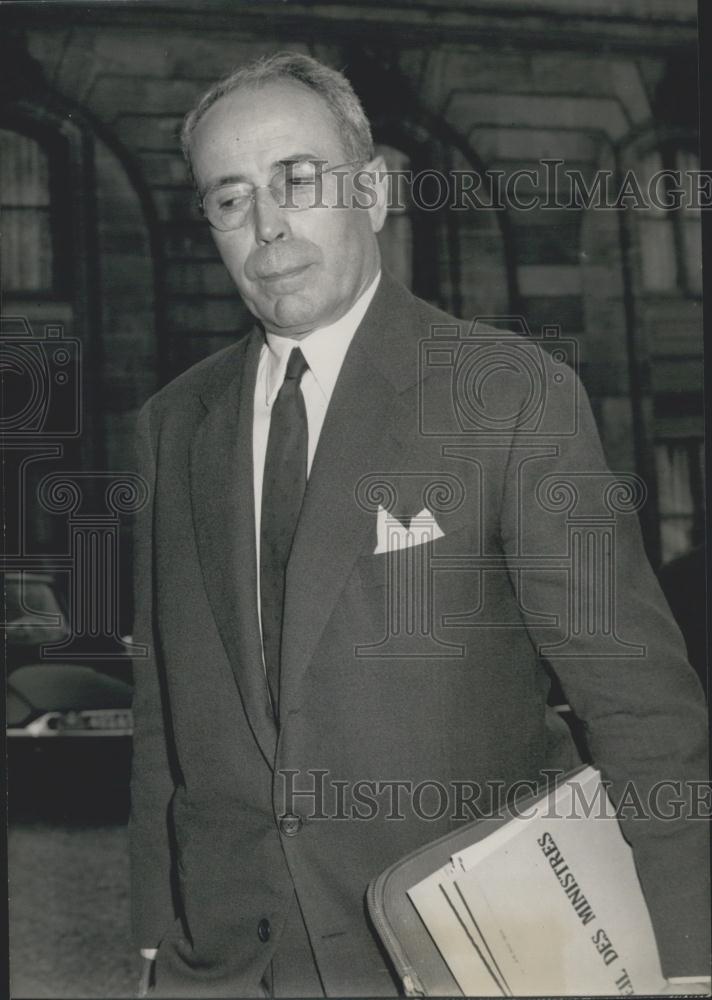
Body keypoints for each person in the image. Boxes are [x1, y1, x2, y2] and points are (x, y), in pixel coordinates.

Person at [129, 52, 709, 997]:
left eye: (297, 182)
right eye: (228, 200)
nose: (267, 228)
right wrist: (158, 937)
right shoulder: (171, 426)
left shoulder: (509, 397)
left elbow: (639, 700)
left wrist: (687, 960)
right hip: (231, 965)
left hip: (463, 954)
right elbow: (167, 711)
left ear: (375, 188)